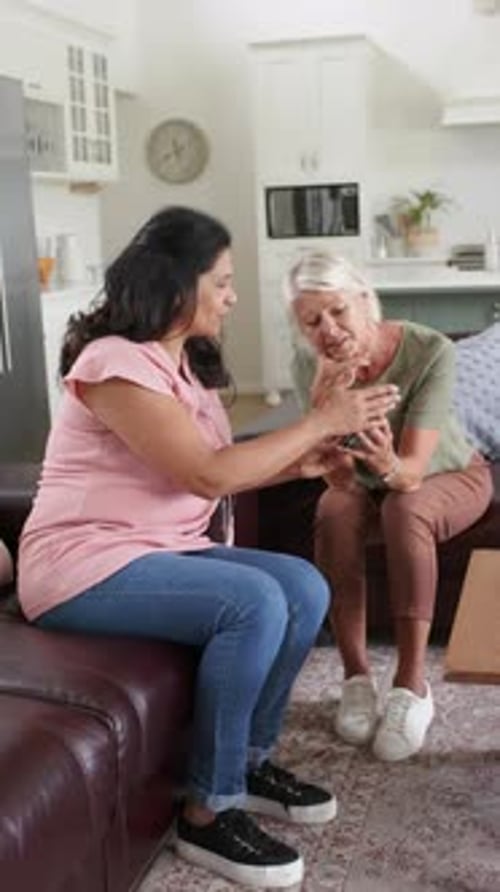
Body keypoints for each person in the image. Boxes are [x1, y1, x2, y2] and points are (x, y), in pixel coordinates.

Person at [18, 208, 399, 889]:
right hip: (80, 565)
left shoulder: (184, 367)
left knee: (303, 587)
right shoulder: (112, 364)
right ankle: (207, 811)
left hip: (158, 550)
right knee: (250, 602)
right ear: (179, 283)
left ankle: (245, 765)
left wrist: (306, 460)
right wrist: (321, 419)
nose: (230, 297)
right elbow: (205, 475)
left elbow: (216, 462)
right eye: (221, 282)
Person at [286, 250, 493, 762]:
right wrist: (320, 414)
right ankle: (356, 677)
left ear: (365, 300)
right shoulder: (309, 365)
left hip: (447, 473)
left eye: (338, 311)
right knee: (334, 509)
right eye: (312, 321)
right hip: (364, 479)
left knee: (405, 506)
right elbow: (334, 476)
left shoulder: (429, 350)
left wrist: (383, 463)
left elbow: (413, 472)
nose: (328, 330)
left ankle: (410, 686)